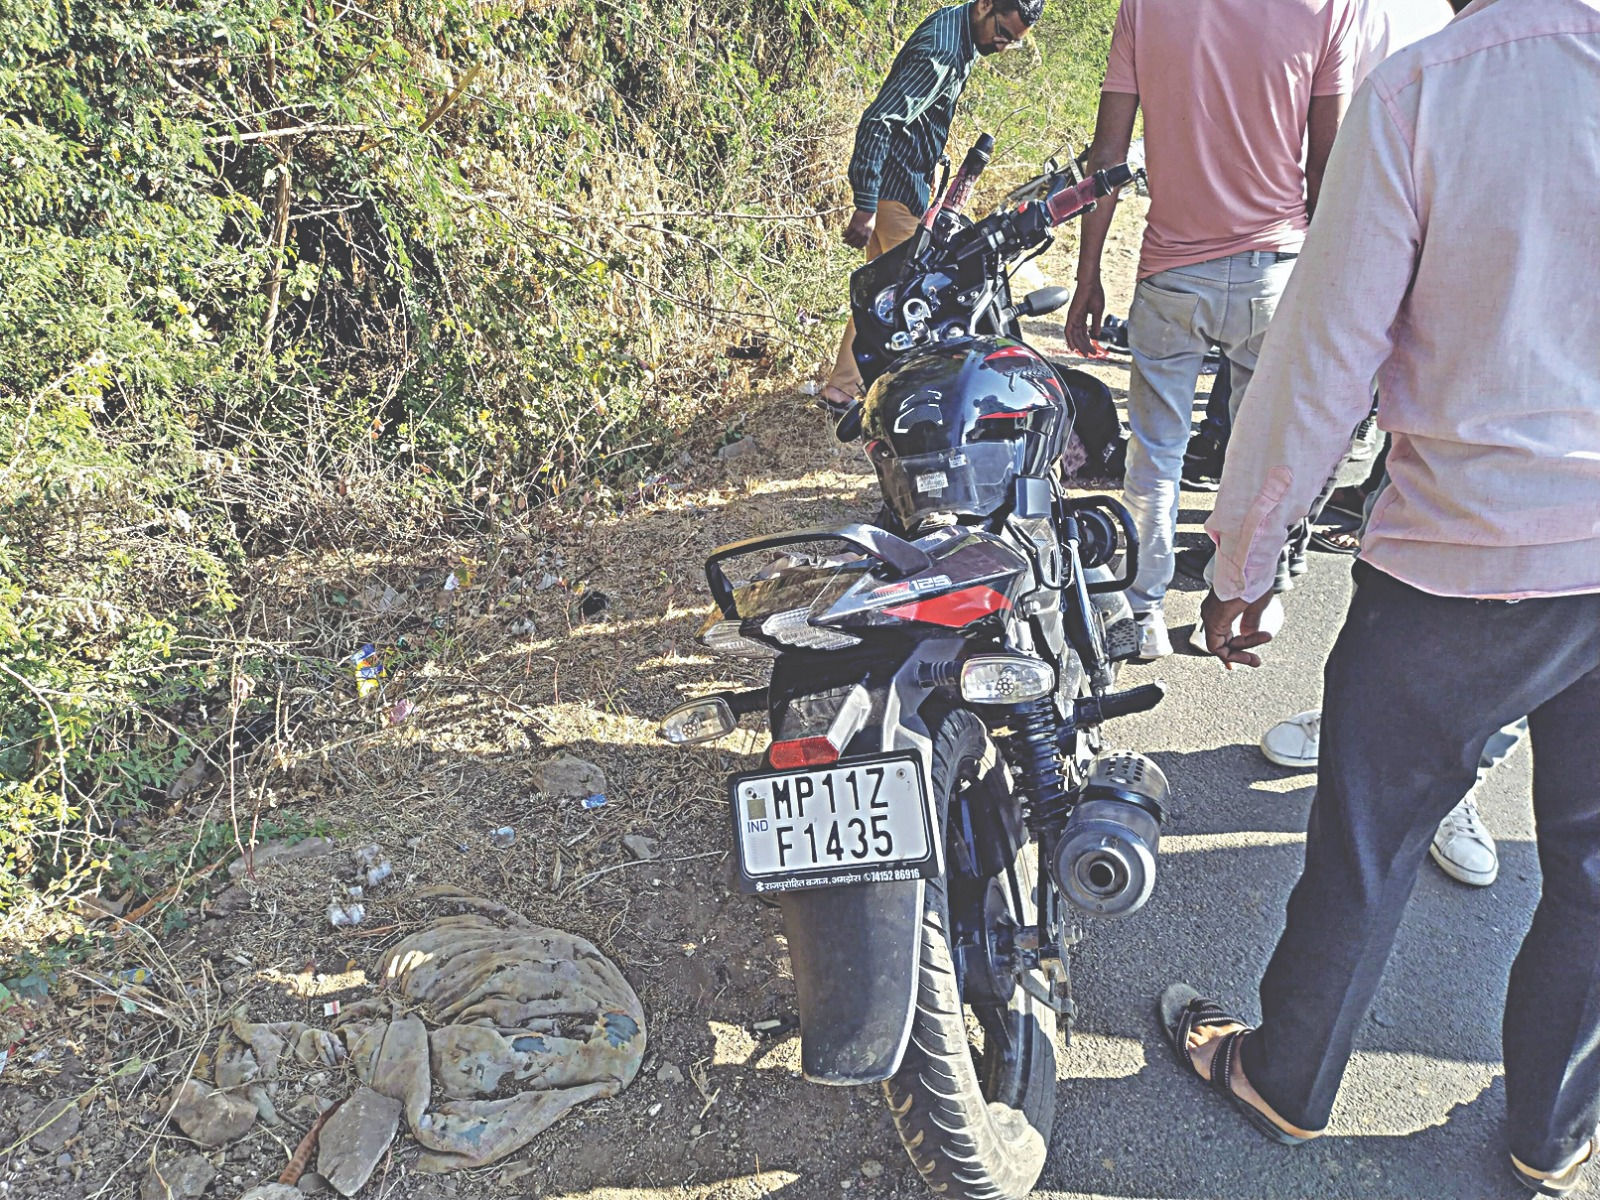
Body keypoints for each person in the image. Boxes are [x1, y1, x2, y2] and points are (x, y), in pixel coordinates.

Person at [1174, 1, 1600, 1191]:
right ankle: (1551, 1134)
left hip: (1464, 559)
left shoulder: (1432, 86)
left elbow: (1323, 354)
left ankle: (1287, 1076)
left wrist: (1245, 564)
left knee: (1369, 843)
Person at [1064, 0, 1360, 658]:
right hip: (1276, 273)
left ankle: (1142, 614)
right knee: (1262, 461)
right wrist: (1331, 286)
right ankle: (1247, 601)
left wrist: (1088, 277)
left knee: (1155, 456)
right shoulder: (1326, 7)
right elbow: (1327, 169)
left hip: (1172, 273)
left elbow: (1108, 155)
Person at [820, 0, 1043, 414]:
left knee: (881, 297)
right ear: (985, 5)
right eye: (1002, 32)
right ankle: (917, 406)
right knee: (926, 299)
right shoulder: (941, 49)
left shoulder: (960, 37)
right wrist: (866, 203)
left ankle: (842, 388)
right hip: (894, 192)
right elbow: (879, 121)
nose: (1003, 45)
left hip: (907, 189)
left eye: (1012, 41)